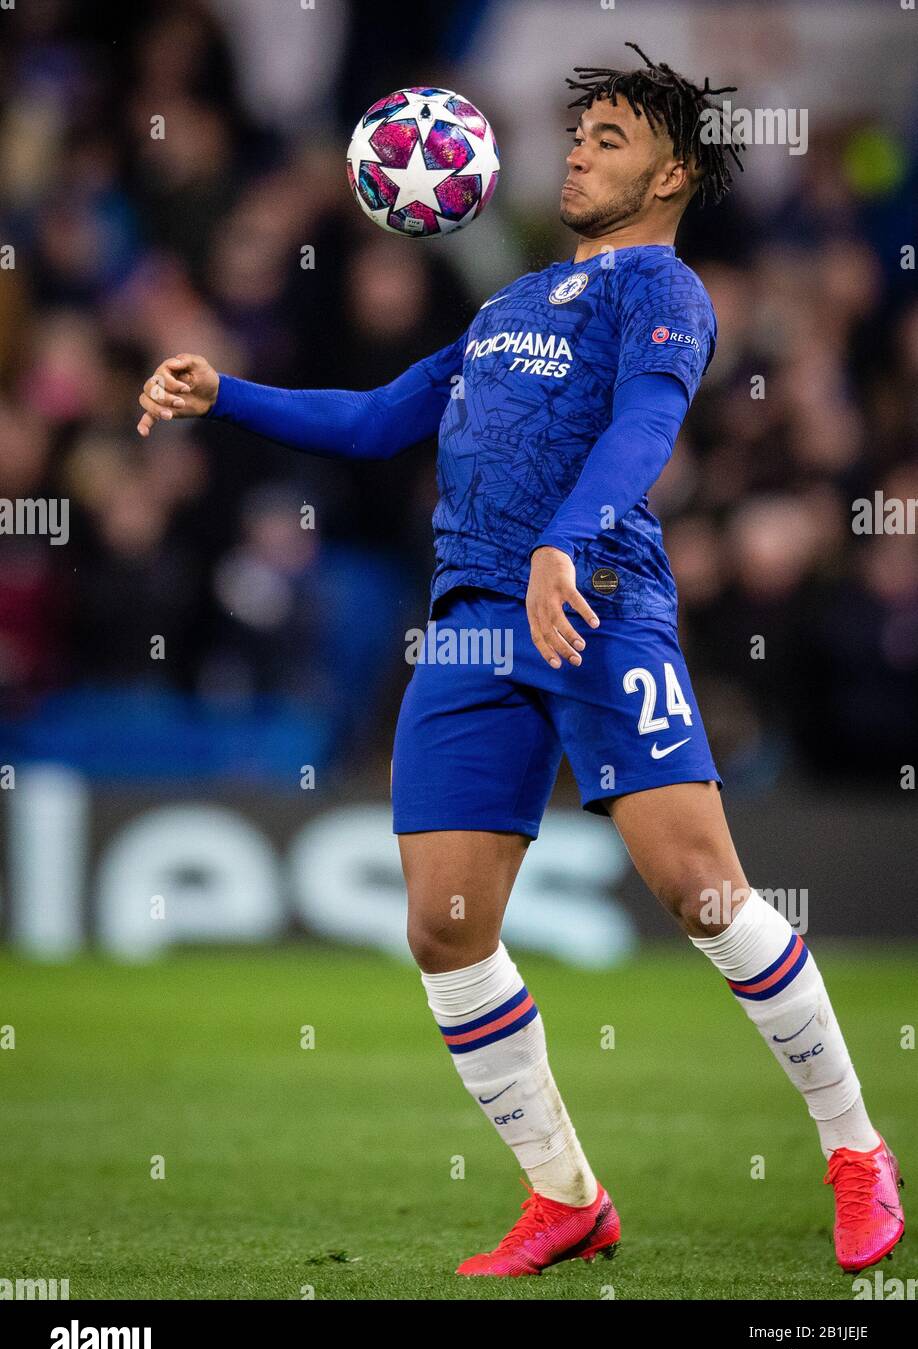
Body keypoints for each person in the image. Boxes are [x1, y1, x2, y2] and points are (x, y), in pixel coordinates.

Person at [137, 44, 904, 1279]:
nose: (582, 148)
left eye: (610, 134)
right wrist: (227, 392)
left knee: (705, 895)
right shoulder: (504, 309)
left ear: (676, 172)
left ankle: (857, 1150)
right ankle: (566, 1195)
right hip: (476, 623)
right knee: (444, 929)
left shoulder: (661, 291)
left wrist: (565, 544)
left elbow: (647, 426)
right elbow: (385, 417)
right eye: (580, 130)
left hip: (599, 602)